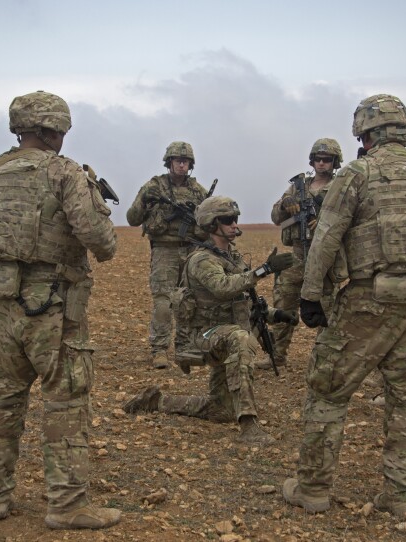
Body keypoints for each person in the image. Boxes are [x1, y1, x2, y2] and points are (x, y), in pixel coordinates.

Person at [282, 94, 406, 518]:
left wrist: (310, 294)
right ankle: (401, 497)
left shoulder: (358, 173)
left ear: (365, 134)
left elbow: (327, 235)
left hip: (371, 299)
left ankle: (312, 488)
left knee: (328, 389)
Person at [0, 91, 120, 529]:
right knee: (65, 402)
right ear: (51, 130)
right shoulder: (64, 172)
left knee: (2, 401)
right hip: (53, 306)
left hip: (2, 307)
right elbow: (98, 239)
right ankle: (66, 505)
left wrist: (3, 250)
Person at [123, 196, 298, 443]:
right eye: (226, 220)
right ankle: (249, 425)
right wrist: (264, 269)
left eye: (235, 219)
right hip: (202, 336)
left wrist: (274, 314)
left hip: (220, 333)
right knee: (242, 339)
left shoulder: (232, 257)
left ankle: (157, 401)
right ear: (211, 224)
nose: (233, 224)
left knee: (221, 411)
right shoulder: (202, 259)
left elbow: (242, 300)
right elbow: (223, 287)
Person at [257, 138, 342, 371]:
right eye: (318, 159)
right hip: (296, 255)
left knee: (327, 307)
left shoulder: (339, 187)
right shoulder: (298, 186)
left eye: (327, 159)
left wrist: (325, 224)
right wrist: (286, 203)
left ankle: (326, 359)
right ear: (312, 161)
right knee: (284, 303)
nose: (322, 163)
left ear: (335, 162)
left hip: (323, 256)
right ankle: (277, 354)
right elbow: (276, 218)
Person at [126, 142, 209, 369]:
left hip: (192, 249)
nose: (181, 165)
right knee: (163, 301)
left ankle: (185, 348)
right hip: (164, 249)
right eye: (177, 160)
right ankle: (159, 350)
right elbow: (132, 218)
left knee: (189, 300)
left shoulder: (199, 191)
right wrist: (145, 200)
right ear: (169, 162)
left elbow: (209, 223)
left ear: (190, 164)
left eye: (185, 161)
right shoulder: (154, 186)